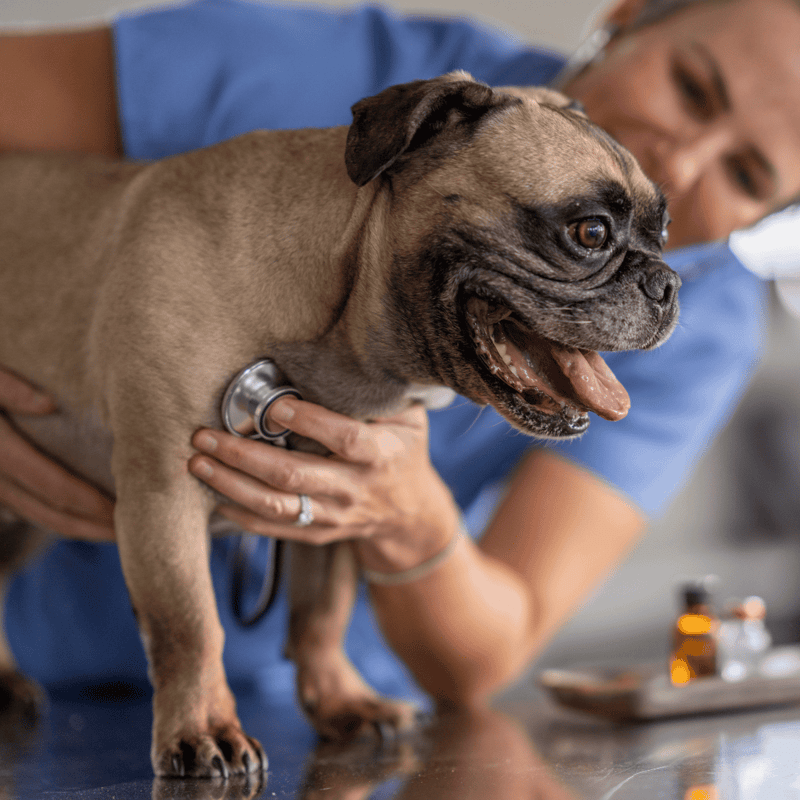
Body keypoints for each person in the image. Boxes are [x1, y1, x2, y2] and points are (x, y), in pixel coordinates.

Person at [0, 0, 798, 710]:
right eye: (692, 88)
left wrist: (408, 517)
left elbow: (489, 652)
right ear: (624, 19)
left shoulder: (701, 322)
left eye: (745, 173)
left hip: (294, 713)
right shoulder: (314, 68)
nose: (680, 163)